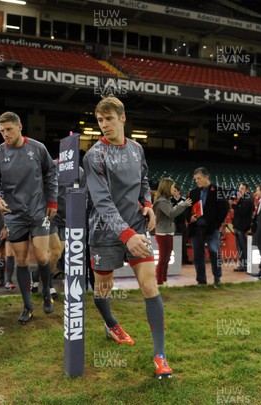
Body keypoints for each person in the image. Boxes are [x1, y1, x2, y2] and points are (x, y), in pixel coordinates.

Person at [84, 96, 172, 379]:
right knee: (103, 289)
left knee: (150, 286)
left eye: (109, 119)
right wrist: (126, 235)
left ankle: (160, 356)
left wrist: (147, 203)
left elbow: (144, 181)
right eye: (100, 120)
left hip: (136, 225)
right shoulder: (94, 155)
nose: (104, 124)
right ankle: (111, 324)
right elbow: (101, 200)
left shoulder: (136, 149)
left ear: (122, 118)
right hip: (104, 231)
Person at [0, 111, 58, 323]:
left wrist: (53, 201)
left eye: (9, 129)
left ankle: (46, 291)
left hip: (38, 212)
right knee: (21, 261)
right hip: (13, 215)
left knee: (43, 257)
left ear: (19, 128)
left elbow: (51, 175)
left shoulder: (38, 149)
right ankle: (27, 306)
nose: (5, 134)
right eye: (1, 131)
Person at [32, 160, 85, 299]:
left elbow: (82, 193)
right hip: (50, 215)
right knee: (55, 252)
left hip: (67, 218)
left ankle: (36, 275)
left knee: (56, 254)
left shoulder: (80, 171)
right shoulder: (52, 168)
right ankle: (48, 286)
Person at [185, 167, 229, 287]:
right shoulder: (193, 192)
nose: (196, 181)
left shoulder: (219, 191)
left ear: (207, 178)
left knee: (214, 252)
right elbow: (187, 209)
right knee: (198, 255)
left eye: (199, 178)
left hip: (212, 228)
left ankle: (217, 277)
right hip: (196, 228)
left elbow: (224, 210)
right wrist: (190, 218)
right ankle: (201, 281)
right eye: (195, 179)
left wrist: (216, 224)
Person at [153, 178, 192, 286]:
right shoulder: (162, 201)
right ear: (166, 188)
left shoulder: (165, 200)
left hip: (167, 232)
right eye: (171, 187)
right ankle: (160, 282)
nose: (173, 190)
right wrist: (182, 205)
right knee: (163, 259)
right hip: (163, 233)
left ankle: (163, 280)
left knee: (167, 257)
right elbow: (171, 213)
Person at [230, 182, 254, 271]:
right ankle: (243, 265)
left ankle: (245, 265)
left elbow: (242, 211)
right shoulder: (244, 198)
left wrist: (233, 205)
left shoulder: (248, 199)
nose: (240, 190)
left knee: (242, 247)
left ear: (247, 190)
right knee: (240, 247)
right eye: (239, 188)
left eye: (242, 189)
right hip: (239, 226)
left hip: (242, 227)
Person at [170, 183, 191, 264]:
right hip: (173, 223)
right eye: (173, 191)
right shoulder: (170, 200)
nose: (174, 192)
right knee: (174, 242)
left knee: (183, 242)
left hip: (182, 223)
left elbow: (188, 212)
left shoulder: (184, 200)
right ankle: (176, 260)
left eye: (175, 191)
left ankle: (185, 259)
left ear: (179, 191)